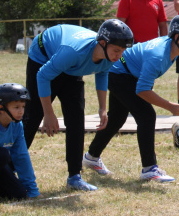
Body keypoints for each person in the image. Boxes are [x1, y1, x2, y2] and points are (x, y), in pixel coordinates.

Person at [84, 15, 179, 183]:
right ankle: (149, 169)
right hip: (118, 73)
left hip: (125, 73)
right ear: (177, 37)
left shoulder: (174, 49)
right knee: (147, 116)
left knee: (117, 118)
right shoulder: (158, 54)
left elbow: (144, 79)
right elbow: (142, 90)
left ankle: (91, 157)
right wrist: (169, 106)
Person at [23, 20, 133, 191]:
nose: (119, 55)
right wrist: (48, 113)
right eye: (117, 50)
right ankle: (9, 168)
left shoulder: (110, 54)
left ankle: (74, 176)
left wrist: (102, 108)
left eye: (122, 51)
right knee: (32, 117)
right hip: (44, 56)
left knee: (76, 120)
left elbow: (103, 73)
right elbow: (42, 76)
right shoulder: (73, 52)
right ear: (102, 43)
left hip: (71, 68)